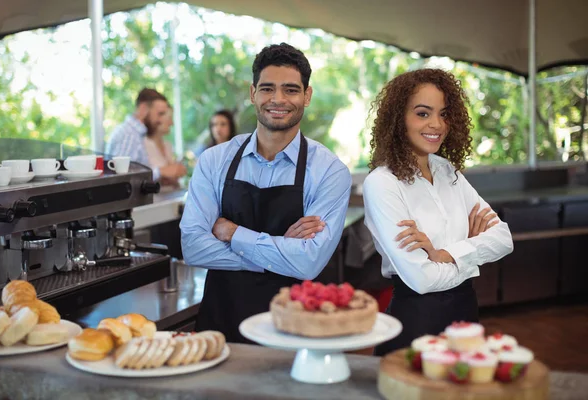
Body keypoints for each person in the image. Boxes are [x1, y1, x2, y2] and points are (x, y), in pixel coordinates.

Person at [180, 43, 352, 343]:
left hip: (296, 330)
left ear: (307, 96)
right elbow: (193, 248)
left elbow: (308, 263)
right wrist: (281, 249)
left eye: (291, 90)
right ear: (252, 94)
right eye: (268, 88)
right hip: (222, 326)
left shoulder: (329, 171)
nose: (278, 99)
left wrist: (233, 233)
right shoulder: (214, 161)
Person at [362, 69, 514, 356]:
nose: (437, 124)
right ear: (398, 119)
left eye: (444, 114)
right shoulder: (382, 183)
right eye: (422, 113)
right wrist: (472, 255)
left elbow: (504, 239)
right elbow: (422, 280)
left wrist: (444, 254)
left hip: (466, 318)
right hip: (416, 322)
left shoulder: (447, 171)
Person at [106, 88, 186, 182]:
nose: (161, 120)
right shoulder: (129, 135)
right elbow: (121, 179)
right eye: (160, 114)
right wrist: (160, 172)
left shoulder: (136, 135)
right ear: (143, 109)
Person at [144, 105, 180, 188]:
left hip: (169, 196)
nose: (172, 123)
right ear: (157, 118)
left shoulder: (168, 145)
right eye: (169, 118)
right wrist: (162, 172)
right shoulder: (143, 145)